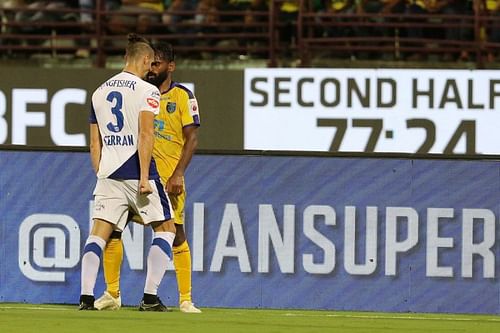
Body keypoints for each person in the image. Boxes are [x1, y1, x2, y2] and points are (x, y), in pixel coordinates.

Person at [93, 41, 202, 314]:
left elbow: (192, 138)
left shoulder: (183, 97)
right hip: (132, 176)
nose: (152, 68)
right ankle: (112, 293)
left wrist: (178, 173)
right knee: (114, 232)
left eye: (158, 63)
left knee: (175, 234)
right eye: (150, 63)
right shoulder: (139, 92)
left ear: (171, 67)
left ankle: (185, 298)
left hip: (165, 179)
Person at [79, 33, 176, 312]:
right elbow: (146, 134)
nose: (151, 68)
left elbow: (94, 141)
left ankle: (86, 297)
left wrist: (100, 171)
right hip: (137, 171)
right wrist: (145, 176)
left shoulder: (99, 91)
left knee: (98, 234)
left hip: (108, 173)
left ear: (125, 58)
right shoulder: (148, 91)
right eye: (151, 63)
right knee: (166, 229)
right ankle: (149, 297)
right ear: (145, 60)